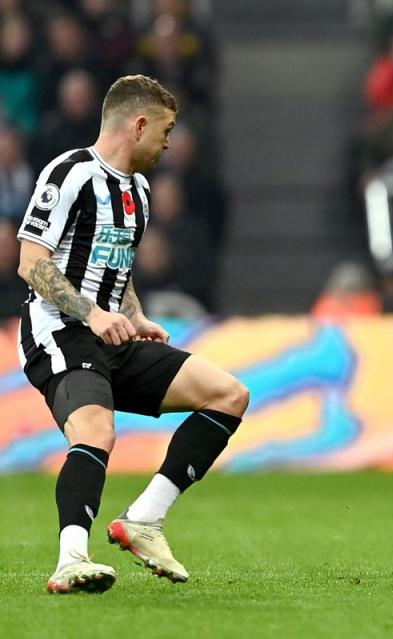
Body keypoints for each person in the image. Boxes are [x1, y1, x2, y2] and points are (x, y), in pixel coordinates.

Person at [16, 75, 249, 594]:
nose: (169, 143)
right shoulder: (71, 173)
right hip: (61, 331)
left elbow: (115, 267)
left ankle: (144, 519)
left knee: (228, 394)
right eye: (165, 131)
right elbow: (31, 263)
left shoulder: (138, 190)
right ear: (138, 125)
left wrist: (133, 314)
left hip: (115, 337)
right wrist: (93, 314)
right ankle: (71, 558)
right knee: (96, 431)